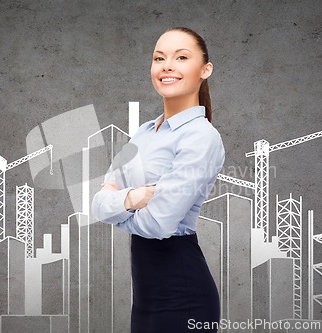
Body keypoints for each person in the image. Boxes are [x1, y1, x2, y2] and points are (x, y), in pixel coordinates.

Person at [91, 26, 225, 333]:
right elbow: (98, 204)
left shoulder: (201, 137)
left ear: (205, 69)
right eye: (159, 57)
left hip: (183, 294)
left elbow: (159, 225)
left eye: (181, 57)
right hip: (145, 298)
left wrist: (118, 205)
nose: (167, 65)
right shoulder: (143, 132)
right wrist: (138, 198)